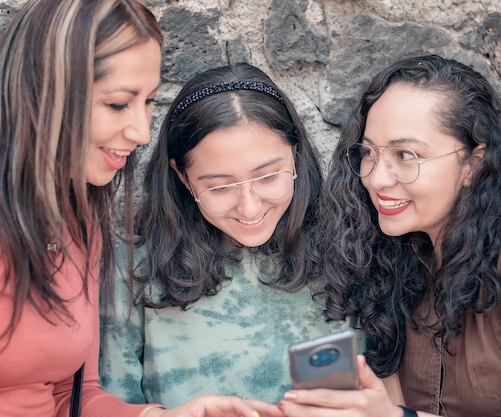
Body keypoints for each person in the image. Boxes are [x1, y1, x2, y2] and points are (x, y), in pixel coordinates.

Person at [0, 1, 277, 417]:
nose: (140, 132)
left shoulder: (78, 213)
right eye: (119, 104)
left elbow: (71, 396)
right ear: (47, 89)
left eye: (149, 101)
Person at [277, 54, 501, 417]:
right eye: (369, 153)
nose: (376, 178)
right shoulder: (397, 256)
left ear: (475, 163)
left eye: (405, 154)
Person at [99, 63, 365, 408]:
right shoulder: (130, 273)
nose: (250, 208)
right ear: (182, 176)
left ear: (296, 155)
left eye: (268, 177)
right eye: (221, 187)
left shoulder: (346, 255)